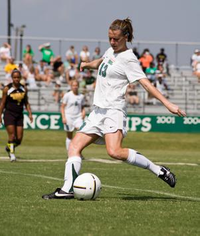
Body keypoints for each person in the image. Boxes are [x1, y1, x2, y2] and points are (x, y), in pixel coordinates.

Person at [42, 17, 186, 200]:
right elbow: (101, 62)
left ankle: (158, 170)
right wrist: (87, 64)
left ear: (125, 37)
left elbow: (146, 85)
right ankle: (67, 189)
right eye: (110, 38)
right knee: (74, 147)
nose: (112, 42)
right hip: (98, 111)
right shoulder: (111, 50)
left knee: (114, 152)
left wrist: (168, 104)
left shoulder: (129, 59)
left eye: (116, 39)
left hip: (113, 111)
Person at [0, 69, 33, 162]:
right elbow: (2, 103)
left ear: (20, 78)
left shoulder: (24, 88)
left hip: (19, 115)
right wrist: (0, 115)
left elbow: (26, 102)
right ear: (12, 78)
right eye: (14, 77)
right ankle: (12, 155)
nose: (16, 79)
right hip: (9, 114)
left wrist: (30, 113)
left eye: (18, 77)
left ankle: (8, 147)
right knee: (12, 136)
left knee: (18, 139)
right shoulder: (7, 89)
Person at [60, 80, 85, 153]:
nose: (75, 87)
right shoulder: (67, 95)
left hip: (78, 117)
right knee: (69, 136)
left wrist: (83, 114)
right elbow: (62, 107)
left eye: (76, 85)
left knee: (82, 133)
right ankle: (70, 153)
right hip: (69, 117)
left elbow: (83, 107)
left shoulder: (81, 96)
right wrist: (63, 117)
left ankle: (78, 152)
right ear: (71, 86)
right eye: (73, 85)